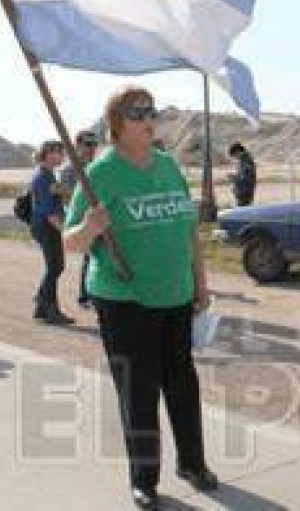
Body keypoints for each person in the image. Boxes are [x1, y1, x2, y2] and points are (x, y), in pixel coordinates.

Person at [63, 86, 217, 510]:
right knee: (139, 392)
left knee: (183, 386)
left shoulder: (167, 165)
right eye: (138, 113)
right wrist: (90, 227)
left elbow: (188, 229)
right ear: (116, 123)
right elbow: (70, 242)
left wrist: (200, 283)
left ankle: (193, 463)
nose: (149, 119)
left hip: (176, 296)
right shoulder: (101, 172)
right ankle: (144, 480)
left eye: (152, 111)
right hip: (125, 301)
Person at [29, 140, 74, 325]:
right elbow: (49, 213)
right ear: (47, 154)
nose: (62, 156)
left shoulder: (47, 175)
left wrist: (64, 192)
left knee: (55, 266)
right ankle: (50, 310)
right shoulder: (44, 178)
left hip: (45, 225)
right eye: (59, 152)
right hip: (47, 226)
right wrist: (67, 232)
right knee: (55, 266)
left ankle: (42, 306)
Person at [59, 130, 100, 308]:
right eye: (88, 144)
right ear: (78, 146)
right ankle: (85, 296)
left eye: (94, 144)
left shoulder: (96, 166)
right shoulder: (69, 170)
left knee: (95, 255)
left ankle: (90, 294)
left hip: (97, 216)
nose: (92, 148)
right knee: (91, 255)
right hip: (80, 219)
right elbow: (67, 197)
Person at [227, 141, 257, 206]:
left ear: (238, 152)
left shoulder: (246, 161)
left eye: (234, 156)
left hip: (245, 193)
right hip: (244, 192)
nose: (235, 158)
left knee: (243, 209)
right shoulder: (244, 160)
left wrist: (234, 178)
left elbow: (245, 179)